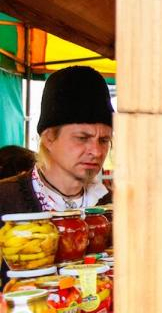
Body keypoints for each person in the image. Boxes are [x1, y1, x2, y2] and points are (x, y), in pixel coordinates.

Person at [0, 66, 112, 215]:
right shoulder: (5, 200)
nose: (97, 151)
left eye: (104, 140)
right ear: (49, 138)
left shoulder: (113, 205)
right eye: (82, 138)